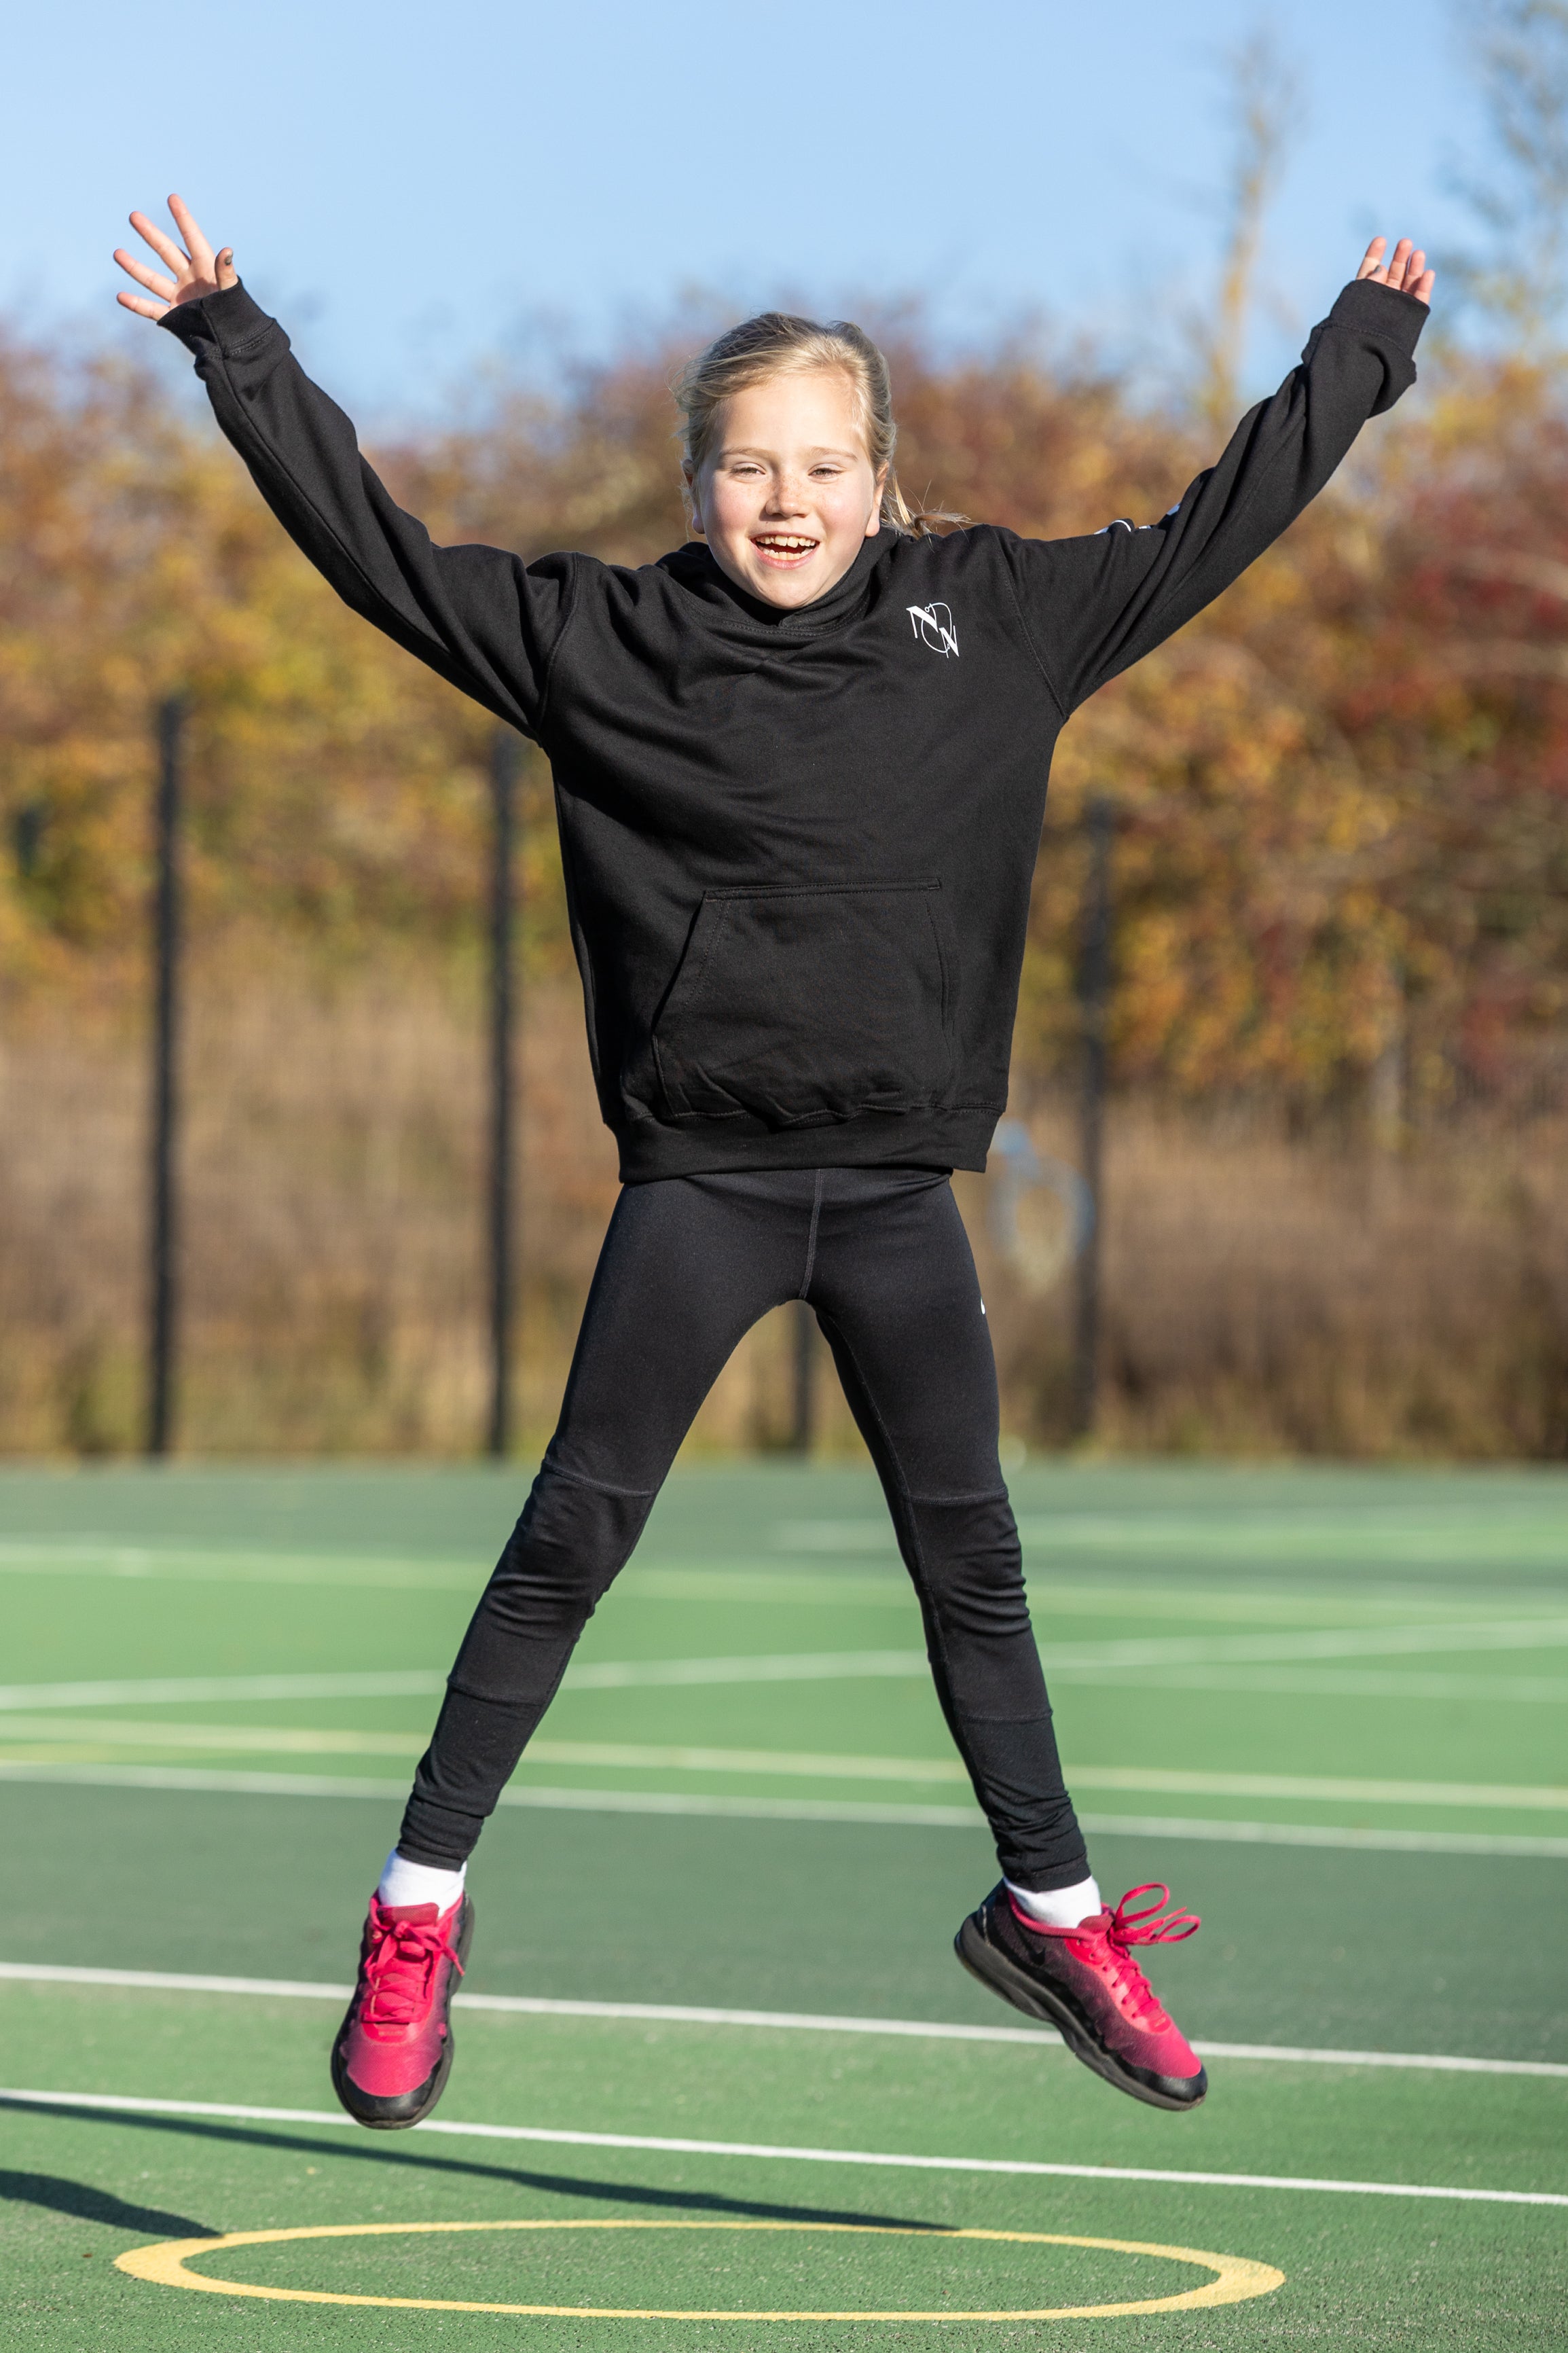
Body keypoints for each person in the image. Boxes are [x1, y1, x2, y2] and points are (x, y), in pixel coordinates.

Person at [116, 197, 1433, 2131]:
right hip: (702, 1190)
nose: (786, 500)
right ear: (698, 485)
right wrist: (235, 339)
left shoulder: (1001, 617)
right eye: (749, 468)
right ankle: (415, 1913)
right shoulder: (601, 638)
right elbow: (376, 553)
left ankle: (1054, 1913)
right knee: (571, 1539)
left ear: (883, 478)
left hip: (900, 1192)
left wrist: (1360, 358)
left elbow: (1220, 523)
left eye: (822, 465)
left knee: (970, 1558)